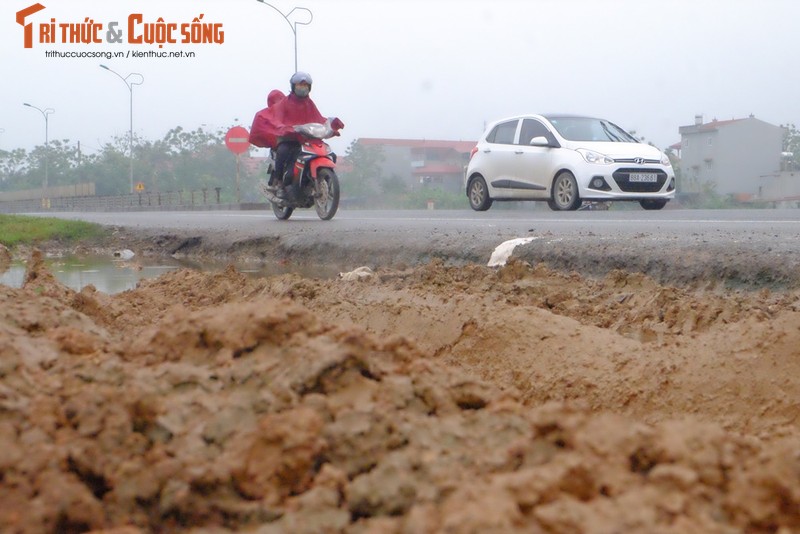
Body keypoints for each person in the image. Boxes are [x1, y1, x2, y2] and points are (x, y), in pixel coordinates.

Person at [250, 72, 344, 198]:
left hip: (308, 139)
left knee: (330, 154)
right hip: (290, 138)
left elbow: (318, 118)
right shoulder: (285, 103)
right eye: (300, 85)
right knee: (283, 150)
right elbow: (274, 116)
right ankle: (278, 182)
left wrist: (331, 126)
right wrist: (283, 127)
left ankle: (324, 181)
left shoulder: (309, 104)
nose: (303, 88)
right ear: (293, 86)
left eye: (305, 85)